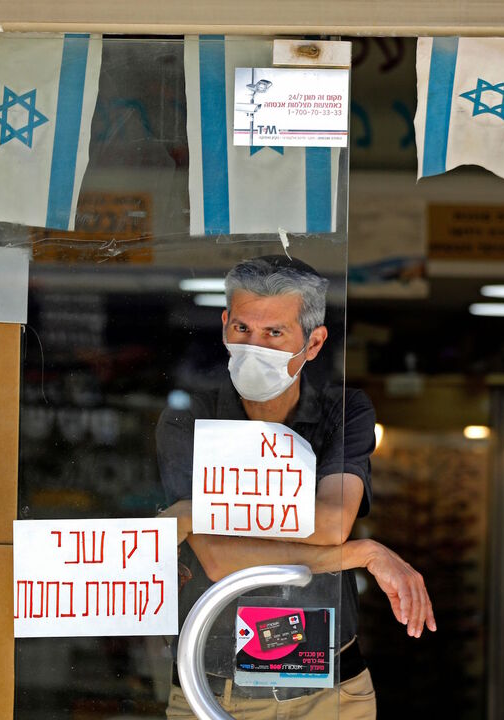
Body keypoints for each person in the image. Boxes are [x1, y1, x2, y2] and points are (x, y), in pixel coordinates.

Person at [156, 255, 435, 720]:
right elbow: (220, 560)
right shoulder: (188, 420)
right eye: (243, 328)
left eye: (274, 333)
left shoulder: (344, 412)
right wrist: (361, 553)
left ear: (314, 341)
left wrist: (199, 513)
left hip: (330, 695)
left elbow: (329, 523)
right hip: (216, 693)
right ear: (224, 324)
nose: (254, 346)